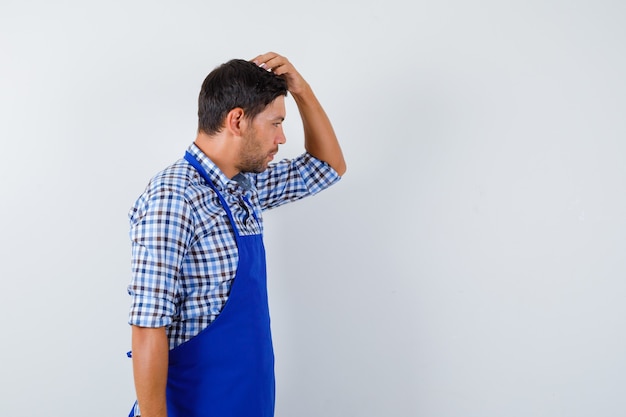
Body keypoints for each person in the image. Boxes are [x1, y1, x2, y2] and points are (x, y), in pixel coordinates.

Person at [126, 52, 346, 417]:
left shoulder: (245, 187)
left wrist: (301, 90)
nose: (282, 137)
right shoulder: (173, 197)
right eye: (275, 123)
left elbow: (328, 167)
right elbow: (148, 325)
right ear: (238, 120)